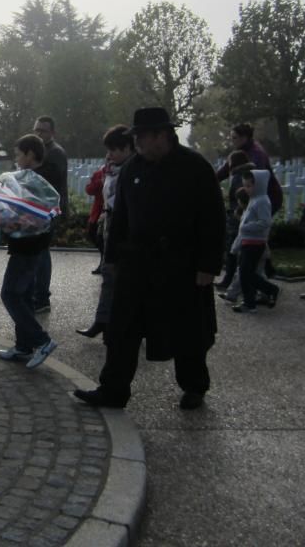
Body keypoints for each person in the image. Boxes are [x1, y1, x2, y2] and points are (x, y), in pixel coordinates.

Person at [73, 107, 225, 411]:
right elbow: (121, 218)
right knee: (121, 330)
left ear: (162, 135)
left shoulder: (195, 167)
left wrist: (208, 265)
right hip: (137, 262)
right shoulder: (134, 167)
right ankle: (113, 390)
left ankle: (194, 385)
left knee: (189, 332)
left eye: (141, 137)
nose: (137, 142)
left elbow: (213, 219)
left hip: (182, 264)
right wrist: (112, 258)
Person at [0, 134, 59, 369]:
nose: (16, 158)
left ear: (30, 154)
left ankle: (42, 341)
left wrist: (5, 217)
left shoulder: (36, 180)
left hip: (28, 247)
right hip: (30, 246)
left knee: (10, 294)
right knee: (24, 296)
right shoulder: (30, 178)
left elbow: (30, 216)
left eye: (18, 154)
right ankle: (23, 346)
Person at [76, 125, 134, 339]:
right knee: (109, 275)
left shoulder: (133, 170)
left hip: (126, 232)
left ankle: (118, 324)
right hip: (110, 225)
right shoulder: (112, 169)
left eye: (114, 150)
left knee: (121, 280)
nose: (109, 154)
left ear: (127, 148)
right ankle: (103, 321)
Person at [31, 116, 68, 312]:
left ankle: (42, 298)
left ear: (52, 133)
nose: (38, 133)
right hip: (39, 208)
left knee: (42, 253)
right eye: (36, 130)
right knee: (38, 252)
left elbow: (50, 181)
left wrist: (30, 169)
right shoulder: (39, 150)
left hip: (49, 209)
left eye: (43, 131)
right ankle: (37, 294)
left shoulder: (55, 153)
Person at [232, 170, 280, 313]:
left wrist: (245, 227)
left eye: (248, 186)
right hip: (248, 241)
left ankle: (269, 291)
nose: (246, 189)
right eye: (245, 185)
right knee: (246, 274)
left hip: (255, 243)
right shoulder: (255, 199)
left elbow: (265, 222)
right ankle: (250, 302)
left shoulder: (262, 201)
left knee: (246, 274)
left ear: (258, 185)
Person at [217, 187, 272, 304]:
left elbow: (242, 235)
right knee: (249, 272)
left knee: (247, 273)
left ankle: (268, 292)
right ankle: (233, 294)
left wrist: (234, 249)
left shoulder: (249, 215)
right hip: (259, 247)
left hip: (253, 248)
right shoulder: (253, 211)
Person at [216, 123, 283, 214]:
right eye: (231, 137)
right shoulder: (237, 153)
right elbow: (223, 172)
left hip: (267, 197)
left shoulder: (257, 154)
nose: (232, 140)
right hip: (248, 198)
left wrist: (240, 207)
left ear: (244, 138)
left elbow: (256, 179)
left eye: (234, 137)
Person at [215, 150, 256, 290]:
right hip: (243, 217)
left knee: (232, 251)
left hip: (238, 218)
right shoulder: (250, 174)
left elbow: (240, 198)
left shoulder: (239, 177)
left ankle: (229, 280)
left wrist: (235, 213)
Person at [84, 164, 106, 274]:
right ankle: (103, 260)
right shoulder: (99, 173)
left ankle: (104, 262)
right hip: (98, 210)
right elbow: (89, 189)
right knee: (93, 234)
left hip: (110, 210)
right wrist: (100, 182)